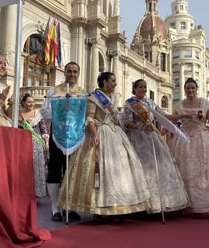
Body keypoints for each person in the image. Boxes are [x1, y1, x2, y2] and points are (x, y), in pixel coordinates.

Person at [57, 72, 150, 221]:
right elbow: (90, 118)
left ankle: (115, 207)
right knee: (99, 171)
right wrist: (94, 135)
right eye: (112, 81)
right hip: (101, 132)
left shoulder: (114, 97)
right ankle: (99, 211)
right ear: (104, 82)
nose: (115, 83)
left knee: (118, 170)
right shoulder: (95, 97)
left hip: (115, 133)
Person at [125, 79, 190, 214]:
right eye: (141, 87)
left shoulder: (150, 103)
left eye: (145, 87)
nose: (143, 89)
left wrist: (182, 115)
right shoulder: (130, 103)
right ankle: (143, 205)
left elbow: (164, 116)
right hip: (138, 138)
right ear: (135, 89)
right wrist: (141, 127)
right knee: (143, 169)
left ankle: (165, 202)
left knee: (161, 166)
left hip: (153, 137)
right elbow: (127, 122)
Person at [41, 62, 83, 222]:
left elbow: (84, 115)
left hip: (75, 138)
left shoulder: (82, 93)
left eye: (75, 71)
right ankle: (54, 207)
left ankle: (69, 206)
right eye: (69, 71)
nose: (72, 74)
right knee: (54, 170)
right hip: (57, 136)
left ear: (78, 74)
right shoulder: (54, 90)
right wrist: (62, 110)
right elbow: (44, 112)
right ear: (64, 73)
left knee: (70, 172)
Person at [168, 77, 209, 214]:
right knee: (183, 169)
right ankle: (184, 203)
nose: (190, 90)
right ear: (184, 90)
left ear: (196, 89)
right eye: (188, 88)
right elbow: (171, 120)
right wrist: (159, 132)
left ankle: (203, 204)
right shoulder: (179, 105)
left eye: (193, 88)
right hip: (183, 140)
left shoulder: (205, 103)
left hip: (201, 139)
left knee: (202, 171)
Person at [19, 93, 49, 198]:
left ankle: (38, 192)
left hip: (38, 147)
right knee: (26, 169)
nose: (31, 104)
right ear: (23, 103)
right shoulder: (19, 116)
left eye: (33, 102)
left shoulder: (38, 114)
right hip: (24, 146)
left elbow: (44, 130)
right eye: (29, 102)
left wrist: (46, 143)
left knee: (38, 168)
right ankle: (27, 192)